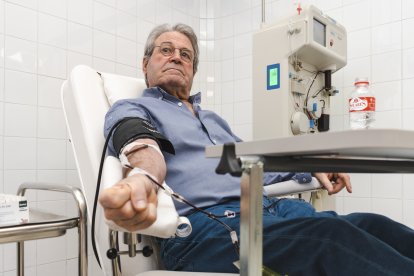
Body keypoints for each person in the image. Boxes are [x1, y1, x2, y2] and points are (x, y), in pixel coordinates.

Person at [99, 23, 414, 275]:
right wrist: (143, 177)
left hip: (272, 213)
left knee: (375, 224)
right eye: (165, 51)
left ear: (193, 70)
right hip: (210, 230)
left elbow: (252, 164)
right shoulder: (133, 107)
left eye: (186, 55)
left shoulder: (212, 119)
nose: (177, 57)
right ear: (145, 63)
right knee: (329, 236)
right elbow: (140, 144)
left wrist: (311, 165)